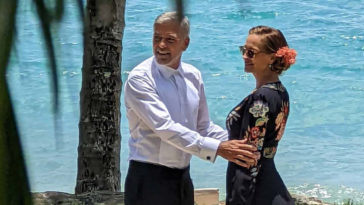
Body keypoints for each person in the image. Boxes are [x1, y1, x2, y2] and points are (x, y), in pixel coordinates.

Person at [123, 11, 259, 205]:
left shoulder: (193, 75)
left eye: (170, 39)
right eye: (157, 38)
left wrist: (241, 145)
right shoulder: (140, 78)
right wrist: (219, 148)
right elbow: (165, 128)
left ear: (185, 43)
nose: (161, 45)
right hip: (148, 179)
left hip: (183, 178)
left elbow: (203, 126)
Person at [225, 25, 297, 205]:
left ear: (272, 57)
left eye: (251, 52)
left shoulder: (261, 98)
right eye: (244, 50)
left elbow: (249, 157)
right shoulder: (280, 92)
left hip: (256, 192)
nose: (244, 56)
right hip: (271, 185)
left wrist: (238, 199)